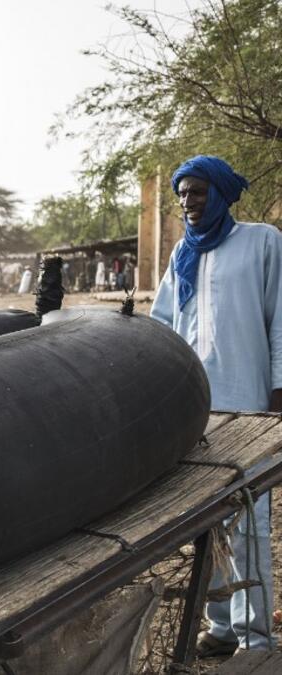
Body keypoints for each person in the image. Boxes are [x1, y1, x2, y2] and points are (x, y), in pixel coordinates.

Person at [149, 155, 282, 656]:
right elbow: (164, 326)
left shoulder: (262, 241)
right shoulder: (182, 252)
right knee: (206, 520)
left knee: (249, 521)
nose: (188, 201)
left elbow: (280, 319)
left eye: (198, 191)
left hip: (250, 405)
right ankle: (222, 626)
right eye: (182, 193)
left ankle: (256, 639)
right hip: (195, 409)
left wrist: (278, 390)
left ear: (221, 194)